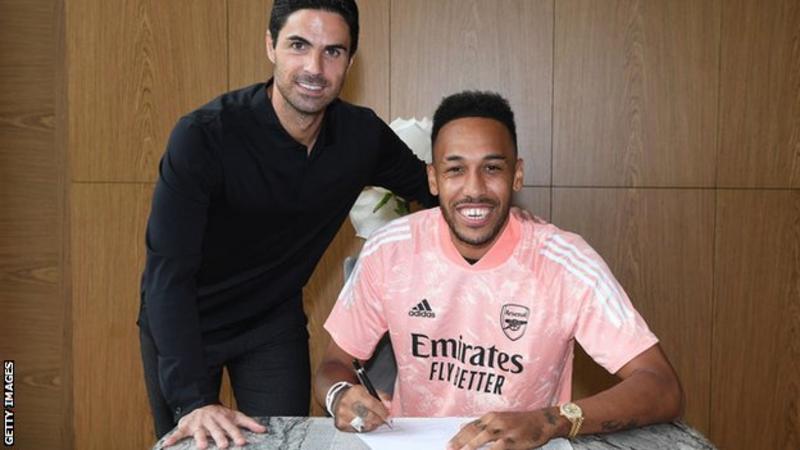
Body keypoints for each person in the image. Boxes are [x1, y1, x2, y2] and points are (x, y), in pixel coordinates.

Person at [138, 0, 436, 448]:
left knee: (286, 444)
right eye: (299, 45)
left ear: (350, 61)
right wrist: (193, 400)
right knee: (195, 440)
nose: (315, 67)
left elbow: (436, 189)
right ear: (270, 46)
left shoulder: (362, 136)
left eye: (333, 51)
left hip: (271, 322)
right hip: (186, 318)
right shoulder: (203, 136)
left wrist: (506, 218)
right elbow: (167, 273)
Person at [315, 91, 684, 449]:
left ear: (517, 175)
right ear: (433, 179)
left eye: (492, 168)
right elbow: (334, 364)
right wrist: (340, 395)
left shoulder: (566, 263)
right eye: (455, 170)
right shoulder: (389, 250)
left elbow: (662, 385)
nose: (474, 189)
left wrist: (549, 421)